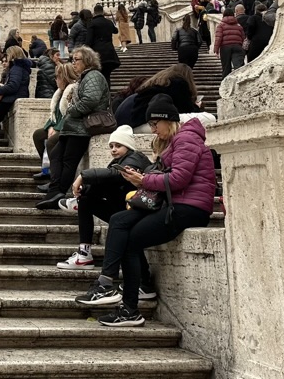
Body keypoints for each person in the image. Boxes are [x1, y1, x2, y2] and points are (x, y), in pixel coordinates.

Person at [74, 95, 215, 327]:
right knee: (119, 219)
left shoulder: (186, 139)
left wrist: (143, 180)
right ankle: (106, 284)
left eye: (154, 124)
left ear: (167, 120)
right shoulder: (175, 142)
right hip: (173, 203)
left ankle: (128, 307)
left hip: (189, 207)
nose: (152, 130)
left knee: (130, 240)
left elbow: (178, 179)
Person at [56, 125, 150, 270]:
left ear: (128, 146)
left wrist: (83, 176)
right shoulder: (119, 162)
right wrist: (85, 189)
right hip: (124, 210)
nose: (113, 149)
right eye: (111, 146)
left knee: (103, 183)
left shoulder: (135, 158)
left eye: (118, 145)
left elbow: (117, 175)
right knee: (86, 201)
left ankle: (79, 200)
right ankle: (84, 254)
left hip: (137, 212)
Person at [37, 47, 110, 209]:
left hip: (82, 128)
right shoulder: (85, 77)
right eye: (73, 59)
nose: (73, 63)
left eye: (76, 59)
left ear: (87, 61)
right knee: (56, 153)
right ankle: (55, 189)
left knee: (69, 160)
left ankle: (59, 192)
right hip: (74, 126)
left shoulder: (94, 76)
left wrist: (71, 110)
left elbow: (90, 100)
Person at [32, 62, 79, 182]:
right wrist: (50, 127)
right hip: (58, 126)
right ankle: (47, 168)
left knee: (51, 142)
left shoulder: (74, 91)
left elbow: (70, 114)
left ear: (64, 77)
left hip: (70, 127)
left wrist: (57, 128)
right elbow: (54, 114)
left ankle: (54, 175)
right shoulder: (60, 93)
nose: (55, 80)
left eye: (57, 77)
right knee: (38, 135)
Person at [0, 46, 33, 147]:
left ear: (12, 54)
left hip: (14, 96)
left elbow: (13, 86)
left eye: (7, 55)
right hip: (15, 95)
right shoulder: (17, 67)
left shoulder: (16, 68)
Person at [89, 5, 121, 85]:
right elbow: (116, 31)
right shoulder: (108, 22)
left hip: (97, 53)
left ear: (94, 12)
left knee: (98, 76)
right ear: (102, 12)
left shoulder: (92, 23)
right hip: (109, 52)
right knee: (107, 76)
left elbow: (89, 40)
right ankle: (107, 93)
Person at [214, 8, 247, 78]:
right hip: (237, 46)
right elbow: (243, 38)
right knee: (238, 68)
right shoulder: (239, 26)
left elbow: (218, 38)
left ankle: (225, 86)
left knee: (226, 68)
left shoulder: (221, 25)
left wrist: (216, 50)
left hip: (225, 48)